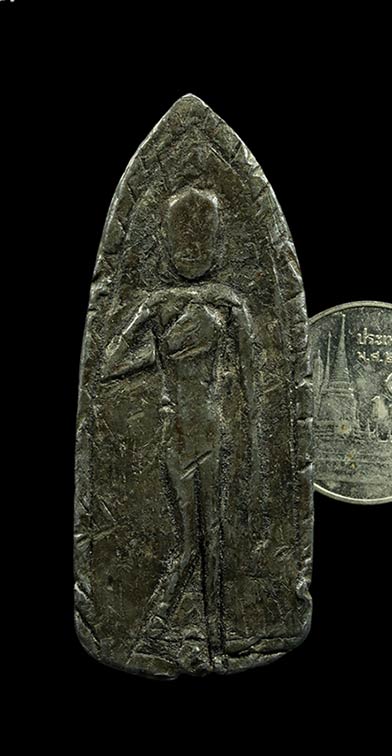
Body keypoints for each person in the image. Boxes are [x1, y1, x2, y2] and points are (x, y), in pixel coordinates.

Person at [101, 188, 256, 671]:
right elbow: (109, 364)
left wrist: (252, 441)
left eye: (200, 237)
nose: (191, 249)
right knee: (193, 542)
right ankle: (163, 629)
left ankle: (214, 640)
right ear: (165, 243)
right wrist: (163, 354)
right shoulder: (156, 305)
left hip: (212, 431)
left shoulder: (229, 305)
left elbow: (250, 382)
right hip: (181, 436)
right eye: (181, 237)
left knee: (213, 537)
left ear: (217, 243)